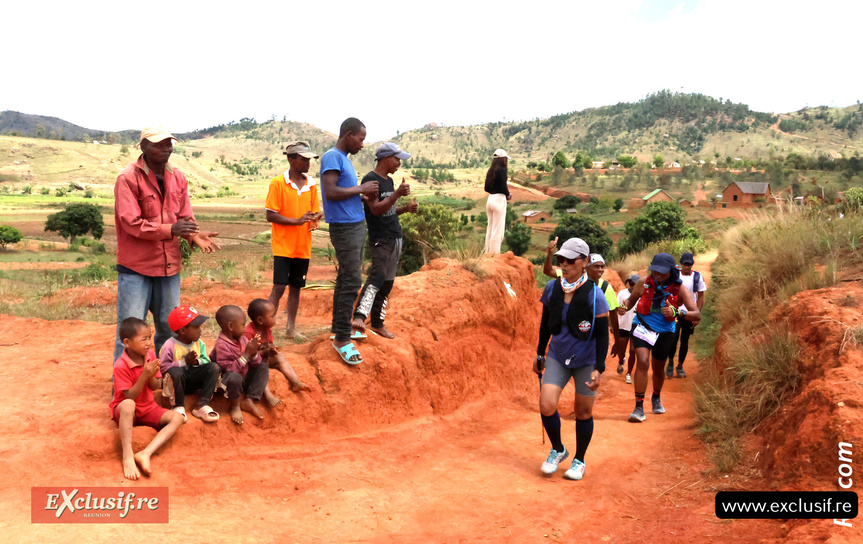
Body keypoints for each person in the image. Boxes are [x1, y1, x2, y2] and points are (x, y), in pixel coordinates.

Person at [113, 126, 220, 363]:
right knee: (131, 330)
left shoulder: (177, 176)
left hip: (169, 266)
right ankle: (124, 386)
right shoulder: (127, 178)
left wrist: (193, 235)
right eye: (158, 144)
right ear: (143, 147)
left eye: (168, 144)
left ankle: (167, 378)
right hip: (136, 268)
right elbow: (131, 223)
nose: (166, 149)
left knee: (171, 327)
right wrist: (171, 229)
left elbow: (185, 216)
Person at [534, 238, 610, 481]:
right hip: (557, 354)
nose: (564, 265)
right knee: (546, 404)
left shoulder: (595, 295)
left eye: (570, 261)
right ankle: (558, 449)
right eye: (561, 260)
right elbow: (545, 325)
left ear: (584, 262)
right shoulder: (552, 288)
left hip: (585, 359)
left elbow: (601, 335)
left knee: (583, 411)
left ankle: (579, 459)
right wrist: (539, 353)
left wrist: (599, 367)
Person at [319, 118, 379, 365]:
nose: (362, 144)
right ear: (349, 134)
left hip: (353, 225)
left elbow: (342, 194)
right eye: (361, 139)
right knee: (353, 279)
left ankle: (339, 328)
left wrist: (360, 197)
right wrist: (360, 188)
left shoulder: (343, 159)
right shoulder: (332, 157)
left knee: (347, 277)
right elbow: (331, 192)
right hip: (345, 229)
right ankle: (342, 339)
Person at [622, 253, 700, 422]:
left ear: (671, 271)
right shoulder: (643, 283)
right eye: (655, 271)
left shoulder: (679, 289)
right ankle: (638, 407)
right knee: (642, 360)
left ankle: (656, 397)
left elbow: (696, 314)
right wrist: (624, 307)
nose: (657, 275)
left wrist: (677, 312)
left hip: (665, 331)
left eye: (661, 272)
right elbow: (630, 301)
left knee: (658, 367)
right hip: (643, 325)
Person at [351, 142, 418, 339]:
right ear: (386, 158)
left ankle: (378, 323)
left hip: (395, 236)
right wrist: (397, 193)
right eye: (397, 159)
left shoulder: (387, 181)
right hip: (381, 238)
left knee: (387, 284)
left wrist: (405, 209)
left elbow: (387, 211)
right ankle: (359, 318)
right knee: (377, 277)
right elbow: (375, 210)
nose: (399, 163)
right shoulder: (371, 180)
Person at [109, 317, 184, 480]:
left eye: (150, 337)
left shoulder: (149, 355)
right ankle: (127, 455)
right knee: (128, 404)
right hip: (126, 412)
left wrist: (150, 376)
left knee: (178, 417)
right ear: (127, 343)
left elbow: (155, 386)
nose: (149, 342)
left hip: (148, 408)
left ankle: (145, 453)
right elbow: (130, 396)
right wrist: (144, 375)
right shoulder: (121, 365)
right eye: (144, 339)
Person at [265, 141, 322, 340]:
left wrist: (315, 219)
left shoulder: (312, 185)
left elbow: (313, 214)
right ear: (291, 159)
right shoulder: (278, 183)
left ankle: (290, 328)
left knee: (296, 287)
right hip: (283, 245)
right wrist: (296, 221)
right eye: (303, 159)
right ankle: (264, 329)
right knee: (279, 287)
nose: (308, 163)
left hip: (302, 246)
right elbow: (270, 215)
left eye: (309, 159)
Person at [159, 305, 221, 423]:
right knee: (175, 372)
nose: (200, 331)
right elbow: (164, 368)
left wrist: (196, 361)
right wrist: (183, 362)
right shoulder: (169, 345)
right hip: (177, 383)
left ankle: (202, 405)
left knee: (214, 367)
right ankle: (178, 406)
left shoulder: (199, 343)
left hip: (193, 380)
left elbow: (206, 360)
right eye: (196, 327)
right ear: (183, 330)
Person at [210, 305, 269, 425]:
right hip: (228, 383)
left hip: (243, 376)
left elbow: (256, 363)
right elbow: (229, 369)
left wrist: (254, 353)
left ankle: (249, 399)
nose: (245, 328)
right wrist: (246, 354)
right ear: (231, 326)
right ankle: (235, 405)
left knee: (262, 367)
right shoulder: (221, 345)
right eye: (243, 325)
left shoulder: (242, 339)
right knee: (234, 377)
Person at [245, 298, 310, 402]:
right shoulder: (248, 333)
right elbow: (247, 355)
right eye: (272, 316)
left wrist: (272, 348)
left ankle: (295, 382)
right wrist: (264, 352)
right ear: (260, 320)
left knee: (279, 356)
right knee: (261, 369)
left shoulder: (267, 328)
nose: (275, 318)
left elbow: (270, 343)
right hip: (252, 364)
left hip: (264, 358)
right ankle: (268, 395)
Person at [666, 252, 707, 378]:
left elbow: (700, 297)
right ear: (682, 264)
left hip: (689, 314)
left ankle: (680, 365)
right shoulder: (675, 275)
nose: (687, 267)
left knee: (685, 340)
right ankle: (671, 362)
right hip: (676, 312)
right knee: (673, 339)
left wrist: (697, 314)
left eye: (689, 264)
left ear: (692, 265)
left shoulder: (697, 277)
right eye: (685, 264)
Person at [585, 254, 621, 367]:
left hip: (597, 333)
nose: (600, 270)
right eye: (596, 266)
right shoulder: (575, 283)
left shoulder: (606, 288)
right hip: (579, 333)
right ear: (586, 266)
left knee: (594, 368)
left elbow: (614, 315)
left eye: (602, 267)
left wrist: (617, 341)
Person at [483, 149, 511, 254]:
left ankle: (487, 252)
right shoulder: (502, 170)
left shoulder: (490, 170)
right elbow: (504, 186)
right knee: (497, 230)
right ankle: (494, 254)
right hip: (499, 200)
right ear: (503, 159)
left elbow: (486, 188)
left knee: (490, 228)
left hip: (490, 199)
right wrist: (508, 194)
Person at [616, 274, 640, 384]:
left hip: (636, 327)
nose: (632, 286)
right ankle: (621, 360)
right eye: (630, 284)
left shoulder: (642, 296)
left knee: (633, 351)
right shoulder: (622, 294)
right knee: (621, 349)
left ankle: (629, 373)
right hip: (623, 326)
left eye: (634, 284)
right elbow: (616, 308)